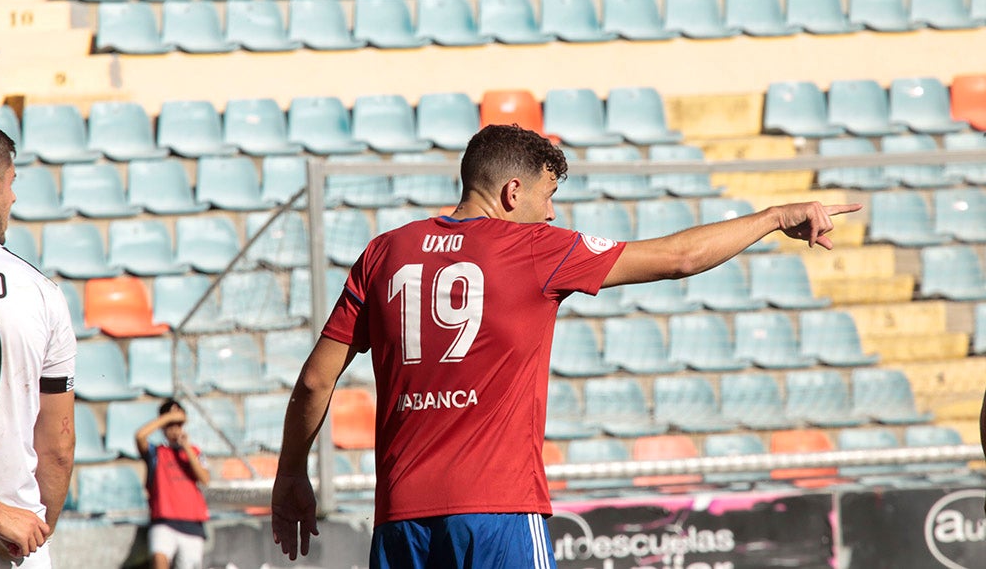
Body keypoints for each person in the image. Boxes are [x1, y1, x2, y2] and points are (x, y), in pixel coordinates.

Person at [271, 124, 863, 567]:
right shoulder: (533, 249)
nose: (553, 213)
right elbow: (680, 258)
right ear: (511, 192)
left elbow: (317, 381)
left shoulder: (384, 252)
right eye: (546, 195)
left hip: (401, 520)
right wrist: (774, 216)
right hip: (498, 509)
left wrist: (291, 474)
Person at [0, 123, 77, 569]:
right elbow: (57, 449)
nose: (14, 199)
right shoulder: (41, 293)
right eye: (12, 183)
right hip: (13, 548)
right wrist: (24, 525)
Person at [135, 399, 211, 569]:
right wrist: (167, 417)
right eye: (170, 425)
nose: (174, 429)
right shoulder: (156, 453)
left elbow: (204, 478)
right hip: (164, 522)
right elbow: (140, 436)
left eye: (178, 424)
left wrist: (186, 447)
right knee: (159, 560)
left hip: (192, 524)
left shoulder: (194, 452)